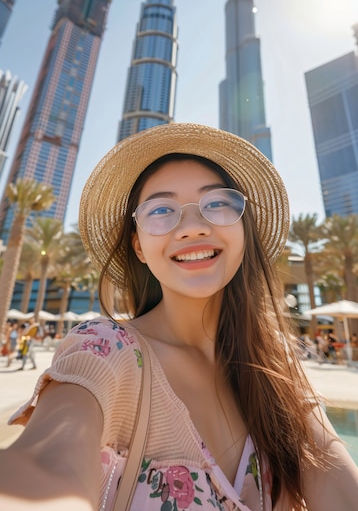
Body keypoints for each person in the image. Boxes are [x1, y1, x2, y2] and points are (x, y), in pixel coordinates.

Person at [0, 123, 357, 510]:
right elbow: (47, 464)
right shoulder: (106, 351)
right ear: (138, 246)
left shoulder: (278, 370)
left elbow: (337, 481)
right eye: (161, 210)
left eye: (218, 203)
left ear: (244, 227)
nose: (192, 227)